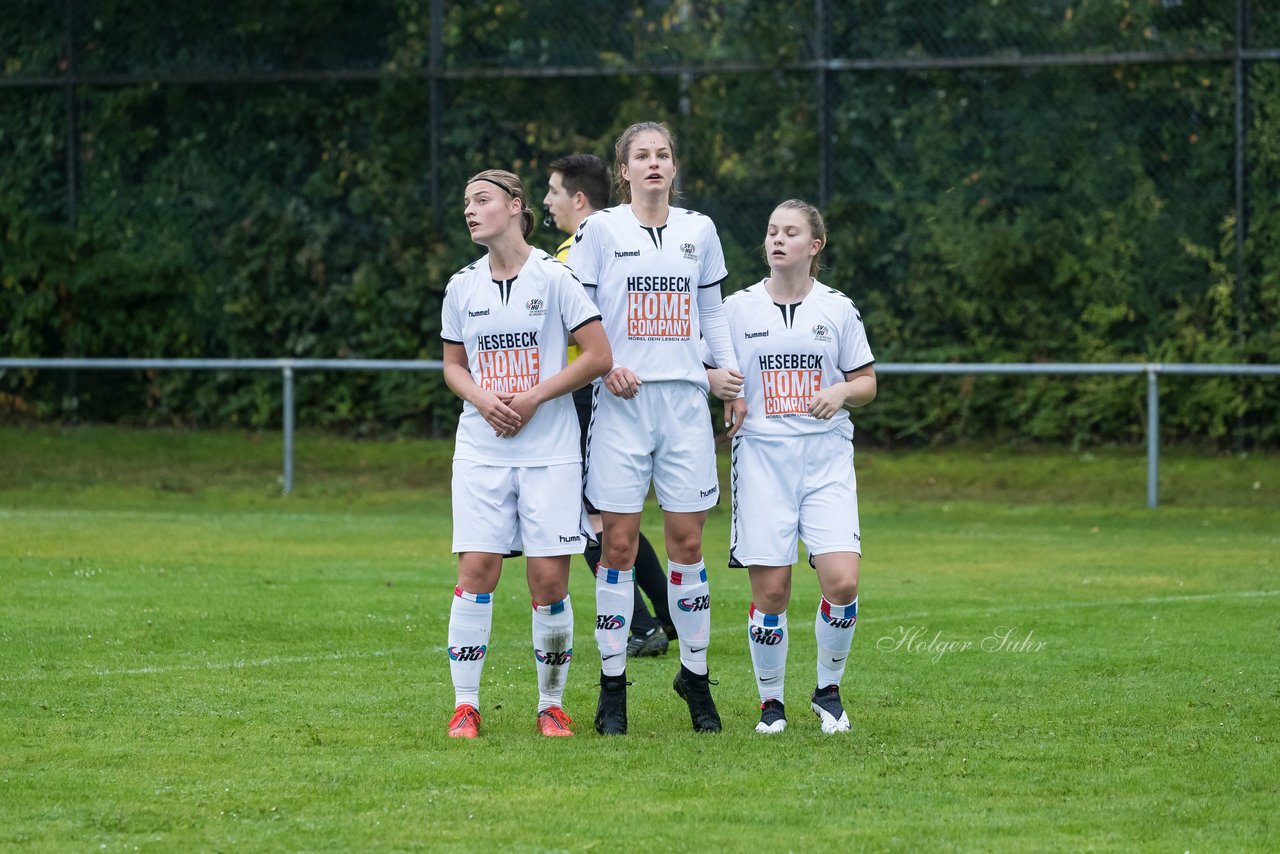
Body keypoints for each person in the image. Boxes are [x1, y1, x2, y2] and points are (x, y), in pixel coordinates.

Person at [566, 121, 746, 735]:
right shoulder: (599, 230)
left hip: (684, 405)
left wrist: (726, 373)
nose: (652, 164)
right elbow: (577, 313)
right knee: (616, 545)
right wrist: (607, 365)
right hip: (621, 404)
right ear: (623, 170)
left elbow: (711, 310)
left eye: (662, 155)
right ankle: (611, 689)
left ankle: (694, 680)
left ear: (674, 167)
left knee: (687, 545)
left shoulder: (700, 231)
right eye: (640, 156)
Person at [439, 169, 612, 739]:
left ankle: (551, 705)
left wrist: (536, 396)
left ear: (514, 207)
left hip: (551, 451)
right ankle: (466, 706)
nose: (469, 210)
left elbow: (598, 356)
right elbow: (453, 367)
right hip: (481, 449)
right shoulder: (461, 285)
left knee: (549, 581)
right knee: (477, 570)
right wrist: (485, 401)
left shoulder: (555, 277)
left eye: (481, 200)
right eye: (466, 202)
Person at [703, 199, 876, 735]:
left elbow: (867, 383)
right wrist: (715, 382)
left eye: (791, 232)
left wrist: (843, 390)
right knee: (771, 592)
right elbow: (701, 365)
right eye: (772, 231)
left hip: (825, 460)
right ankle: (770, 704)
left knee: (842, 582)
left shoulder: (838, 309)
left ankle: (828, 692)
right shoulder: (736, 309)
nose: (777, 239)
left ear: (814, 246)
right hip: (761, 460)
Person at [543, 152, 674, 658]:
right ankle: (669, 614)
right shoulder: (629, 237)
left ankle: (640, 627)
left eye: (553, 192)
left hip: (591, 391)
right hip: (626, 388)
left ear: (579, 199)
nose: (548, 202)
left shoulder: (579, 252)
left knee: (592, 518)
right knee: (616, 517)